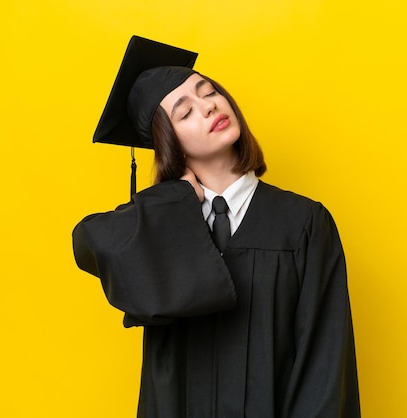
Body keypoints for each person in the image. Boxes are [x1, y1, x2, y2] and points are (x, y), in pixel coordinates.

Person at [73, 35, 361, 418]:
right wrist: (170, 202)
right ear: (167, 141)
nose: (208, 107)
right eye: (184, 111)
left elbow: (325, 365)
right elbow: (88, 241)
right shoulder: (158, 229)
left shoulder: (303, 223)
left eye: (208, 92)